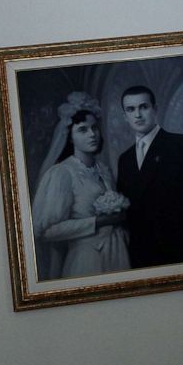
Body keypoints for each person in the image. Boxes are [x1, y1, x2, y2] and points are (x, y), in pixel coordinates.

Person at [31, 92, 130, 279]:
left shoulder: (103, 170)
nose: (92, 134)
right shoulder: (62, 174)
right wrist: (96, 222)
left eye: (94, 128)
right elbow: (45, 231)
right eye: (83, 130)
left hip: (117, 256)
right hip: (86, 262)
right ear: (70, 137)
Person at [116, 85, 183, 268]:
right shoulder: (125, 159)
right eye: (131, 109)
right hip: (141, 256)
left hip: (179, 252)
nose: (137, 115)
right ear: (124, 116)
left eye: (143, 107)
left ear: (155, 109)